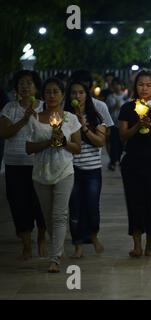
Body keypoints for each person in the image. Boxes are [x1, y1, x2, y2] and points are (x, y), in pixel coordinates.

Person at [26, 78, 82, 273]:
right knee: (48, 216)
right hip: (41, 172)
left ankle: (55, 257)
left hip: (64, 170)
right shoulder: (35, 118)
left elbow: (77, 148)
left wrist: (63, 142)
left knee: (59, 214)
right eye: (48, 92)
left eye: (55, 92)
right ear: (43, 95)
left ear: (62, 95)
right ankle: (57, 247)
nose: (51, 95)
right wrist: (48, 142)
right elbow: (28, 147)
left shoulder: (70, 119)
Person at [118, 70, 151, 258]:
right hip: (133, 162)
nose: (144, 88)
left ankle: (150, 245)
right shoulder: (127, 108)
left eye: (148, 85)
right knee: (135, 203)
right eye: (141, 84)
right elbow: (123, 135)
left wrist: (150, 127)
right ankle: (137, 244)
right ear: (135, 87)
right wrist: (137, 126)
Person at [0, 70, 46, 260]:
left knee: (41, 204)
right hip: (15, 163)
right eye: (21, 83)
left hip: (39, 162)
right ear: (16, 88)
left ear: (36, 86)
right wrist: (24, 119)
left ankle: (41, 240)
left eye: (29, 83)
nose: (25, 86)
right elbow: (5, 133)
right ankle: (26, 245)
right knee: (19, 204)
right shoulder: (9, 108)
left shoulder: (45, 107)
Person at [65, 81, 106, 258]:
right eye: (74, 93)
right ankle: (78, 244)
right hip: (70, 168)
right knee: (74, 208)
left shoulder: (96, 116)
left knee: (91, 207)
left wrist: (84, 126)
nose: (77, 96)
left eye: (81, 93)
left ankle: (94, 235)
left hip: (92, 169)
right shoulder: (64, 117)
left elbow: (100, 142)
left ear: (87, 96)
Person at [105, 77, 127, 171]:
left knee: (122, 144)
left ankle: (120, 160)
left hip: (123, 124)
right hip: (113, 124)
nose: (117, 86)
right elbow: (108, 111)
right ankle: (113, 161)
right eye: (115, 84)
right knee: (114, 143)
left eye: (118, 84)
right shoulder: (110, 97)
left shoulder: (126, 96)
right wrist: (115, 106)